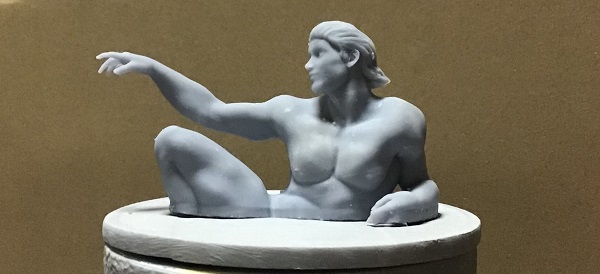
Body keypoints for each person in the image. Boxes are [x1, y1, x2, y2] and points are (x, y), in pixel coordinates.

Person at [97, 20, 439, 225]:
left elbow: (421, 184)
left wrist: (414, 204)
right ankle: (185, 234)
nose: (307, 65)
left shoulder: (400, 119)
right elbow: (211, 110)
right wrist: (154, 69)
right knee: (171, 140)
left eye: (318, 54)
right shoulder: (291, 112)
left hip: (349, 242)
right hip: (273, 217)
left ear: (350, 57)